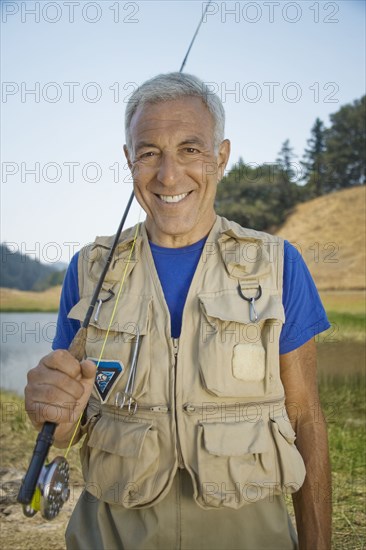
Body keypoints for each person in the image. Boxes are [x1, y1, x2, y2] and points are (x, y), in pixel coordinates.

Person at [25, 73, 332, 550]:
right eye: (149, 152)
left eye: (191, 149)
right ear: (129, 161)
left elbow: (306, 417)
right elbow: (68, 427)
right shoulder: (88, 271)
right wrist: (52, 410)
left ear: (222, 158)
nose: (169, 175)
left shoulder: (279, 264)